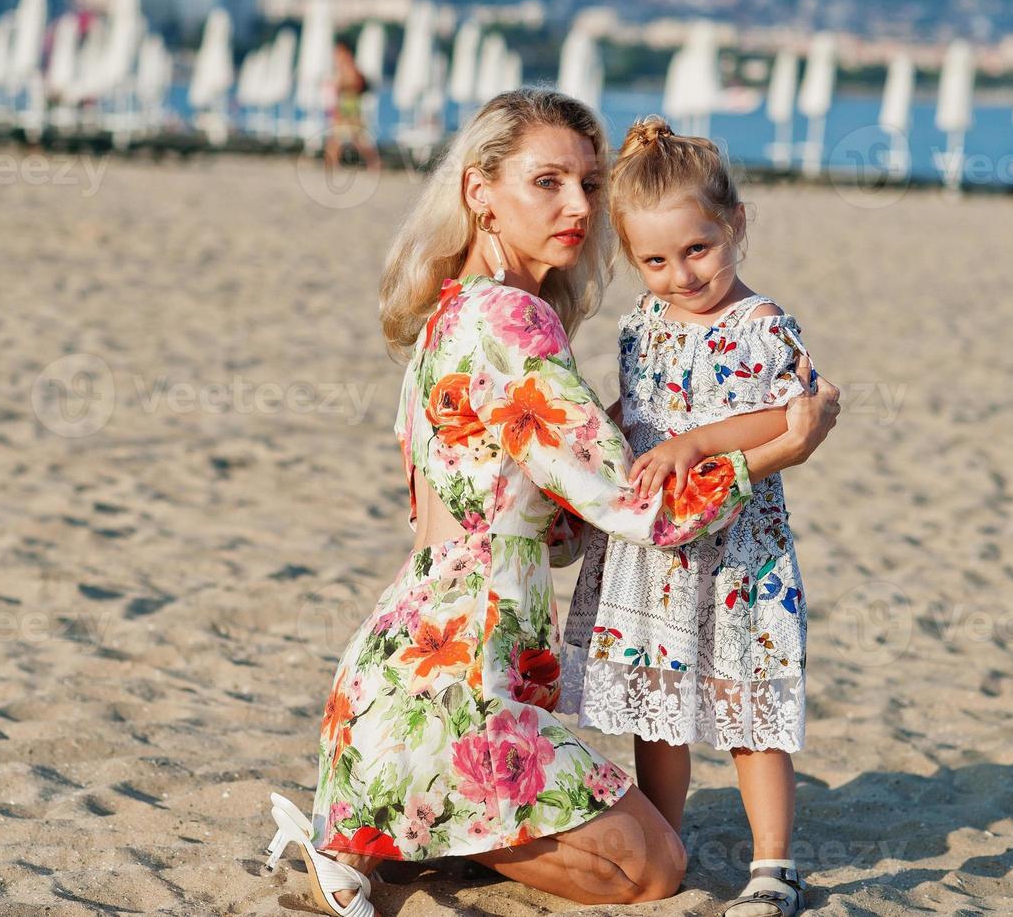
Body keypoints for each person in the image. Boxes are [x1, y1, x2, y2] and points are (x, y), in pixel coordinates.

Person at [263, 89, 841, 917]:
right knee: (653, 872)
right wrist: (778, 451)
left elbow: (550, 525)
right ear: (479, 193)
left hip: (391, 679)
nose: (577, 206)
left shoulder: (450, 317)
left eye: (589, 183)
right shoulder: (512, 324)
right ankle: (382, 841)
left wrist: (612, 433)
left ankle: (381, 841)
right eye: (546, 182)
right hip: (458, 685)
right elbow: (649, 517)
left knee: (637, 847)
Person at [560, 114, 818, 917]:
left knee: (747, 707)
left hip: (737, 551)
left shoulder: (758, 323)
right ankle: (664, 838)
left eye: (697, 250)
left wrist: (695, 442)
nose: (680, 276)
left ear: (734, 224)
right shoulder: (641, 324)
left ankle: (772, 863)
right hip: (652, 552)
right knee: (657, 704)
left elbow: (783, 414)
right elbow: (637, 411)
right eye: (655, 260)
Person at [324, 39, 380, 174]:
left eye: (338, 52)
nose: (336, 55)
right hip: (347, 108)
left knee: (354, 140)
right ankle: (332, 165)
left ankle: (373, 164)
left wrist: (340, 85)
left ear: (346, 52)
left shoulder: (350, 69)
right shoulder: (344, 68)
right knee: (346, 139)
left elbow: (357, 86)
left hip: (350, 110)